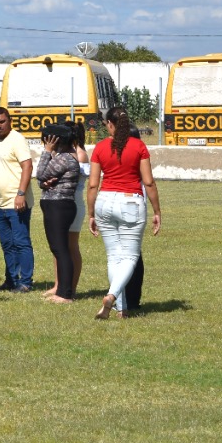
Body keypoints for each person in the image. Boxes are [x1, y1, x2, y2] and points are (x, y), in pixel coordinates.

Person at [87, 108, 162, 319]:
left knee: (114, 258)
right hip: (130, 201)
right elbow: (148, 181)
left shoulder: (100, 147)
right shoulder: (138, 146)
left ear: (109, 124)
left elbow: (93, 185)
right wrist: (157, 210)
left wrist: (91, 214)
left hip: (105, 200)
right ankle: (111, 296)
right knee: (130, 256)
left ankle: (122, 308)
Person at [0, 107, 36, 293]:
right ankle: (11, 279)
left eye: (2, 122)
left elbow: (27, 167)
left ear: (9, 121)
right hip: (0, 204)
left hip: (17, 203)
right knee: (7, 244)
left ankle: (25, 282)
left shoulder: (17, 139)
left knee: (21, 242)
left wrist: (21, 194)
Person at [35, 122, 81, 303]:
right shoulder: (62, 157)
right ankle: (62, 290)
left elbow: (40, 173)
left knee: (61, 250)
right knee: (58, 249)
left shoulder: (65, 158)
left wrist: (47, 151)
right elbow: (43, 180)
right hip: (56, 205)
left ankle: (65, 294)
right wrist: (44, 183)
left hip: (59, 206)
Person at [46, 120, 88, 300]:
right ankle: (59, 285)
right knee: (58, 246)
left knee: (70, 246)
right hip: (60, 201)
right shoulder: (64, 153)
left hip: (73, 202)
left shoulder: (80, 154)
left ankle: (71, 287)